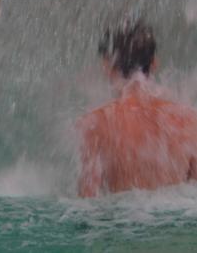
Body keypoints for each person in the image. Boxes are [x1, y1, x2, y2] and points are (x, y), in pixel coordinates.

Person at [77, 21, 197, 197]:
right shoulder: (190, 122)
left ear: (108, 66)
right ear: (154, 63)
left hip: (123, 220)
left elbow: (87, 201)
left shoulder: (96, 124)